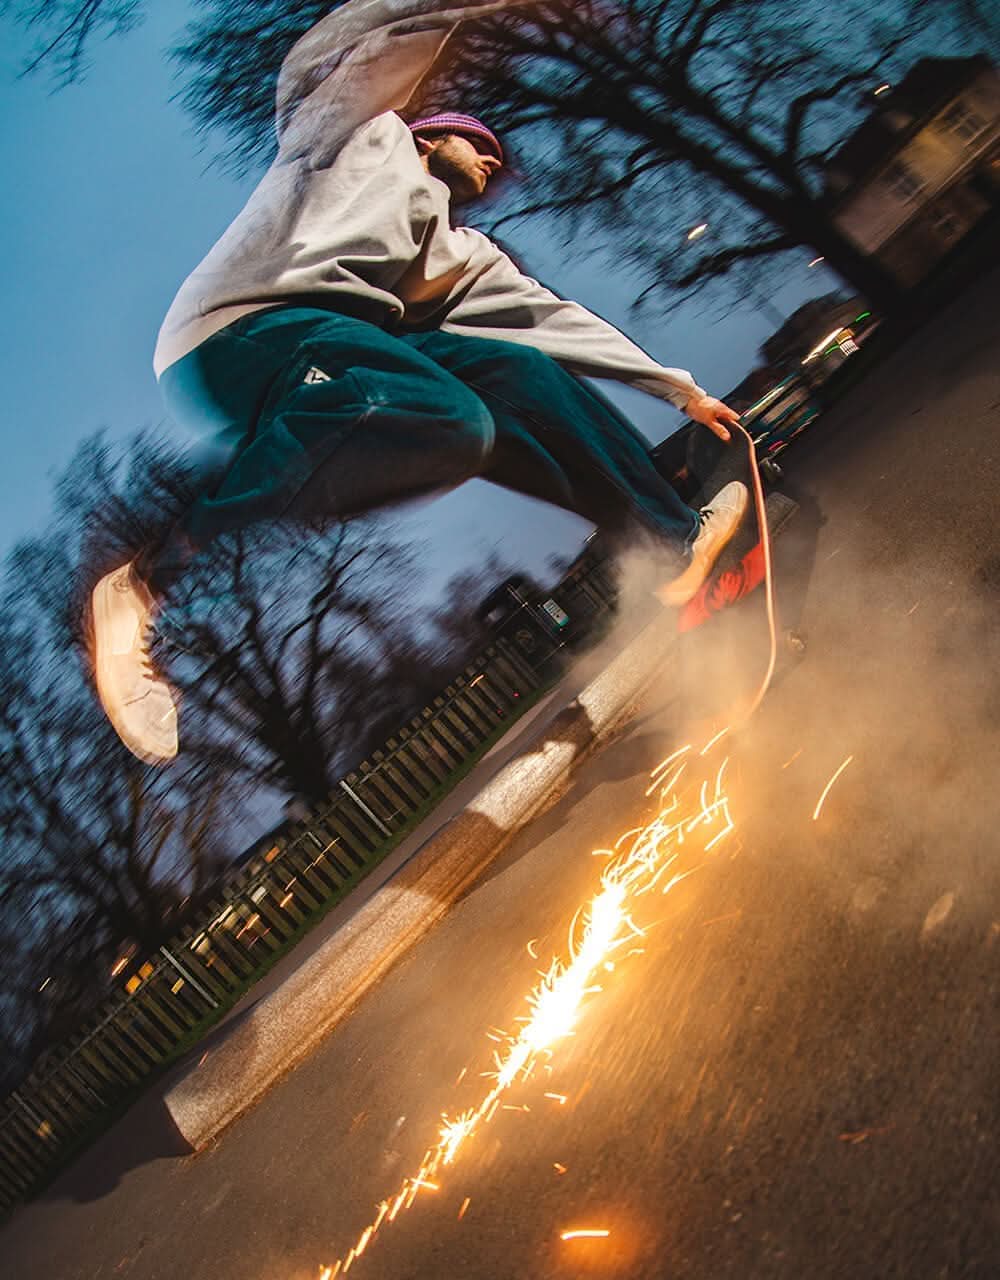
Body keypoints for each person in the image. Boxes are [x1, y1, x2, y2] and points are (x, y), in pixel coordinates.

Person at [91, 0, 747, 765]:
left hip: (336, 352)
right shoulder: (352, 134)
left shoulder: (462, 259)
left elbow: (552, 321)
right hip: (236, 332)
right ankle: (148, 577)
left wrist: (679, 390)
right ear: (430, 135)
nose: (494, 162)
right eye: (481, 145)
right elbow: (339, 54)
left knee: (515, 375)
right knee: (447, 416)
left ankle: (667, 540)